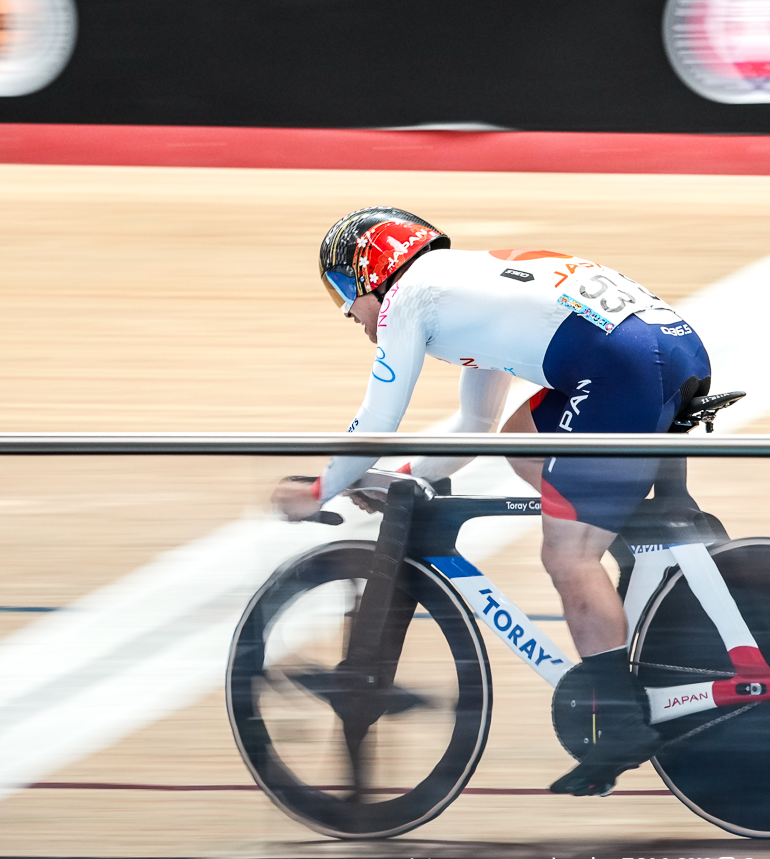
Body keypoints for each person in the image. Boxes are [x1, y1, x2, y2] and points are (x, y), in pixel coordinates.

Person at [272, 206, 713, 797]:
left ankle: (624, 724)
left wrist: (321, 488)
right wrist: (397, 477)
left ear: (371, 269)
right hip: (655, 348)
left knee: (567, 557)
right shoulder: (460, 288)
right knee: (518, 441)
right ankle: (635, 547)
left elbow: (378, 417)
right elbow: (475, 425)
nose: (348, 312)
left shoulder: (411, 297)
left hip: (623, 367)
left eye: (344, 292)